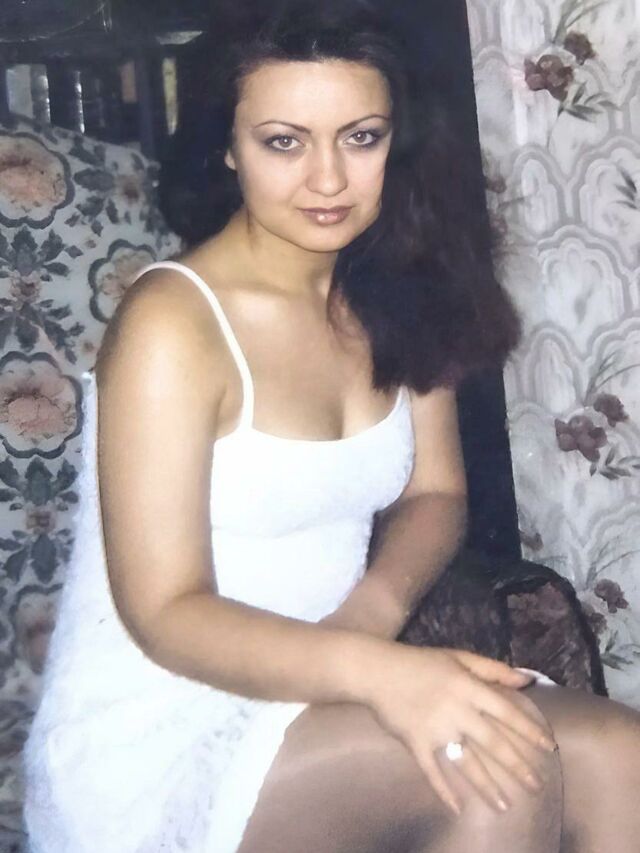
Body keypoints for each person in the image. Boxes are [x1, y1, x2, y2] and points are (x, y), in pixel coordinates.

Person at [23, 2, 640, 851]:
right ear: (227, 146)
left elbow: (436, 492)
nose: (328, 180)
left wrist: (372, 616)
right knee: (494, 770)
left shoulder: (393, 286)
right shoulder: (173, 323)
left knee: (621, 754)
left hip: (334, 670)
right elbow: (164, 610)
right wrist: (378, 671)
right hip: (163, 723)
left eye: (361, 137)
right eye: (284, 142)